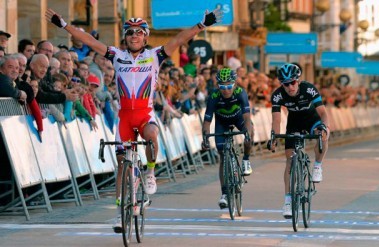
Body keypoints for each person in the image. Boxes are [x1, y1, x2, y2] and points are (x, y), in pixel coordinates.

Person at [46, 6, 222, 233]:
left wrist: (202, 24)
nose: (134, 36)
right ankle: (120, 212)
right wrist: (64, 26)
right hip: (124, 117)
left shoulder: (155, 55)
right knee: (122, 165)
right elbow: (88, 40)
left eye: (139, 32)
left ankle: (149, 172)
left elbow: (179, 39)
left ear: (145, 36)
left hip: (144, 113)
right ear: (125, 37)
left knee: (151, 135)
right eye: (130, 33)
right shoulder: (117, 56)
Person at [267, 63, 330, 219]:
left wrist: (325, 127)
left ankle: (317, 165)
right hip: (294, 123)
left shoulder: (309, 89)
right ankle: (288, 201)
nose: (290, 87)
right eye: (286, 84)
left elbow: (323, 112)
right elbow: (276, 119)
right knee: (289, 160)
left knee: (322, 135)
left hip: (312, 120)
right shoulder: (277, 95)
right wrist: (274, 137)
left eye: (293, 82)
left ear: (298, 81)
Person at [201, 67, 253, 209]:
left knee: (250, 134)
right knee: (223, 156)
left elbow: (247, 117)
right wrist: (205, 137)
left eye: (229, 86)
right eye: (222, 86)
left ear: (235, 84)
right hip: (221, 123)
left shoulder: (240, 93)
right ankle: (224, 193)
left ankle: (246, 160)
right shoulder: (214, 96)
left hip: (239, 119)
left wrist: (247, 133)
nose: (226, 90)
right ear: (218, 85)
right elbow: (207, 120)